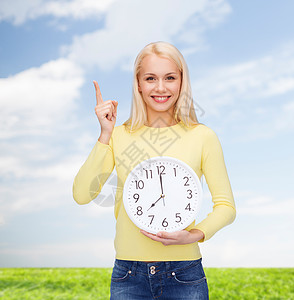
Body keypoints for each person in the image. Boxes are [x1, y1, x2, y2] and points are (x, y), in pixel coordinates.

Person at [73, 41, 236, 299]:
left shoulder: (203, 136)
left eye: (170, 77)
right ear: (138, 83)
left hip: (184, 274)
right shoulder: (118, 136)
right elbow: (82, 194)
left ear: (182, 82)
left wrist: (193, 235)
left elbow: (226, 206)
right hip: (129, 275)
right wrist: (104, 135)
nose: (160, 88)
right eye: (151, 78)